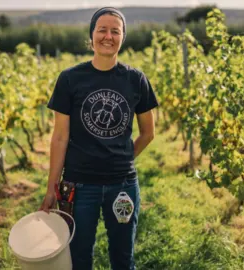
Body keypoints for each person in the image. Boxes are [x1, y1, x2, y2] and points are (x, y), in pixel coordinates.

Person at [39, 6, 159, 270]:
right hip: (79, 187)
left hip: (122, 186)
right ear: (91, 35)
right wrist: (51, 188)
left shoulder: (135, 79)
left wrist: (123, 158)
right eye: (102, 29)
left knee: (122, 259)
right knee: (79, 259)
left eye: (115, 31)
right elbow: (59, 137)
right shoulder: (70, 79)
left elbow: (149, 132)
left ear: (122, 37)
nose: (108, 36)